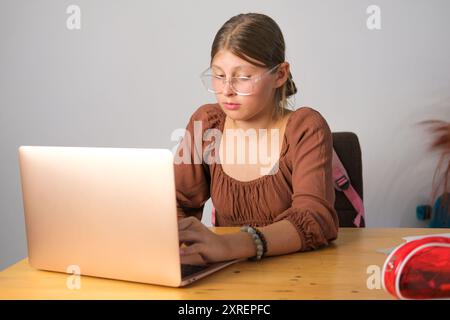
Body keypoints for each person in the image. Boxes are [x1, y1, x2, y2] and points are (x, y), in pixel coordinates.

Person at [174, 13, 339, 266]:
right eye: (219, 76)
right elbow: (176, 201)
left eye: (243, 77)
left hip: (300, 274)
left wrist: (229, 245)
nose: (227, 89)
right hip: (229, 273)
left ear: (280, 74)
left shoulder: (306, 128)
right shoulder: (206, 124)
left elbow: (315, 218)